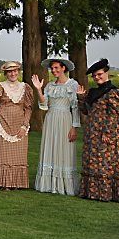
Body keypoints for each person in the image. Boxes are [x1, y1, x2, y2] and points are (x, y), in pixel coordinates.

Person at [77, 58, 119, 202]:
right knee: (93, 162)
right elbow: (86, 111)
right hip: (92, 133)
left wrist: (107, 132)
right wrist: (81, 98)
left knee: (107, 162)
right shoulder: (93, 92)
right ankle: (93, 193)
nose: (97, 77)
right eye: (94, 76)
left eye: (99, 74)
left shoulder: (113, 92)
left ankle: (109, 194)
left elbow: (115, 113)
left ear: (107, 73)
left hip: (108, 133)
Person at [31, 58, 80, 195]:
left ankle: (64, 185)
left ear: (64, 68)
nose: (54, 70)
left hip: (65, 119)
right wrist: (39, 90)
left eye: (56, 68)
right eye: (52, 68)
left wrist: (74, 127)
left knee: (64, 149)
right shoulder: (50, 86)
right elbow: (44, 104)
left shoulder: (72, 85)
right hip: (51, 119)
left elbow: (75, 107)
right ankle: (49, 184)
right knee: (50, 147)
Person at [0, 61, 34, 189]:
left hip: (19, 124)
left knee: (18, 154)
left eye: (15, 70)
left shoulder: (25, 87)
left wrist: (24, 125)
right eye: (10, 71)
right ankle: (2, 182)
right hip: (2, 122)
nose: (13, 73)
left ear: (18, 71)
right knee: (2, 154)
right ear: (6, 73)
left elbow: (28, 108)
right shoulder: (0, 86)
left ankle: (16, 183)